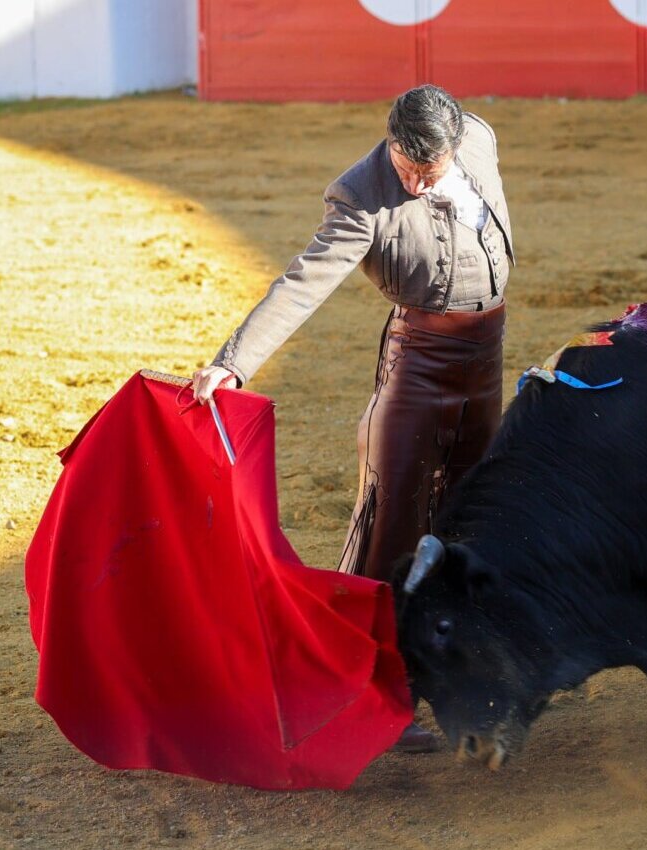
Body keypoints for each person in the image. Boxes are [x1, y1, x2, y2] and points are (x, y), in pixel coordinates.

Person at [191, 84, 514, 753]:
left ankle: (467, 678)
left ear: (454, 148)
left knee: (476, 513)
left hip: (485, 361)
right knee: (389, 525)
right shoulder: (361, 196)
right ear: (390, 143)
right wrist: (234, 362)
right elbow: (303, 281)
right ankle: (369, 697)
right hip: (418, 369)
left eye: (428, 172)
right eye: (405, 169)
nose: (416, 185)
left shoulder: (478, 139)